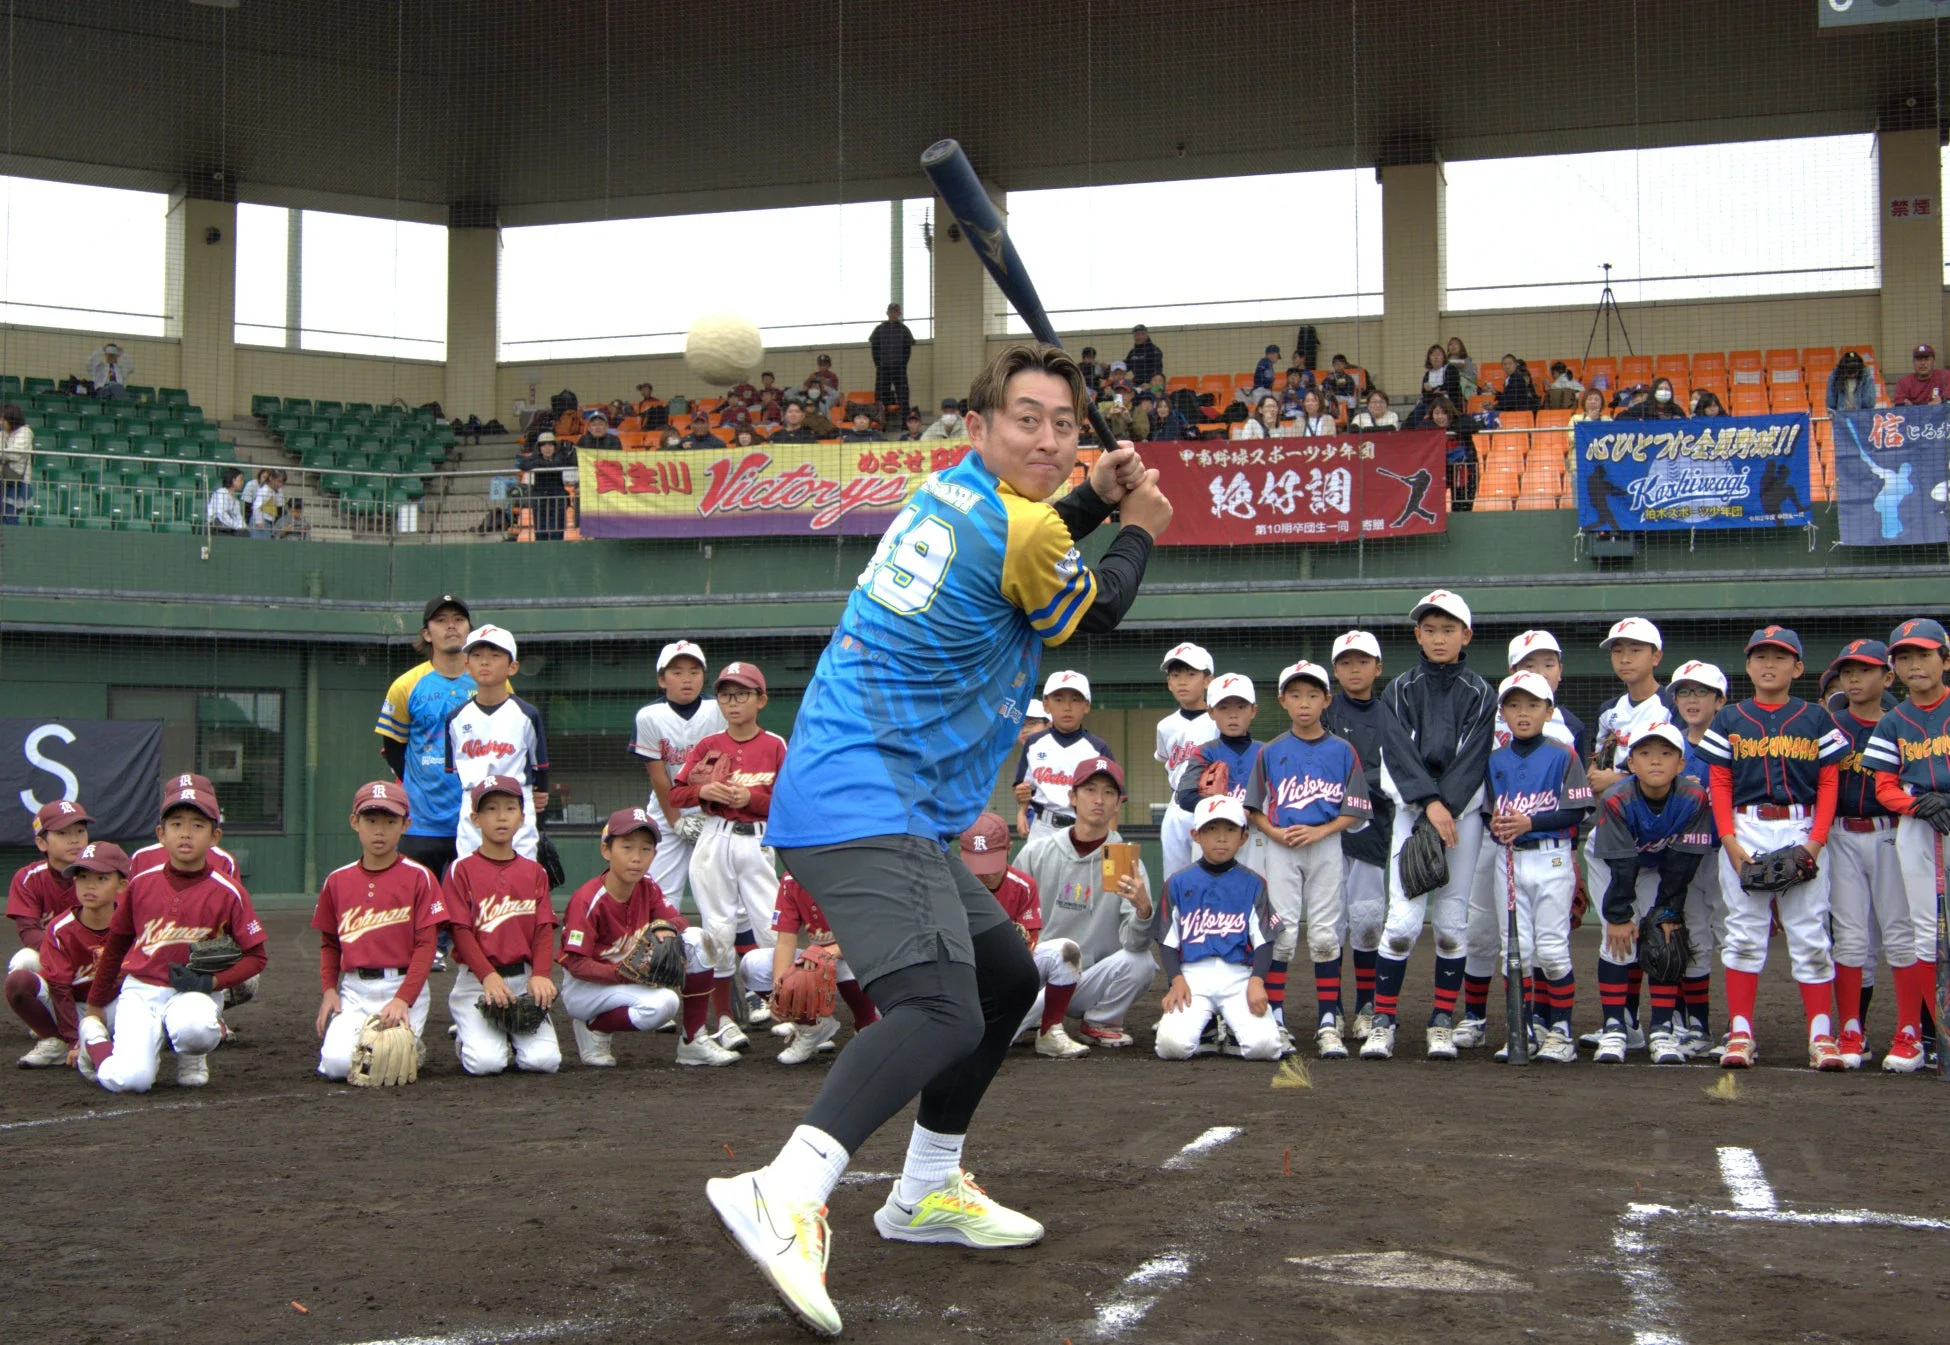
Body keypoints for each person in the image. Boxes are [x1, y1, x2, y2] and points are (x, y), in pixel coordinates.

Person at [708, 341, 1166, 1337]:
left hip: (878, 795)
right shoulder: (1026, 526)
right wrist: (1138, 522)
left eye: (1063, 424)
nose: (1048, 438)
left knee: (1003, 980)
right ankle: (785, 1189)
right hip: (868, 797)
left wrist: (1092, 499)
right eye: (1026, 419)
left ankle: (922, 1190)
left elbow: (1035, 535)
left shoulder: (957, 490)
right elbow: (1097, 608)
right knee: (938, 1006)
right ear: (981, 426)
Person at [1696, 625, 1849, 1071]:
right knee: (1743, 933)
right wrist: (1729, 841)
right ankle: (1740, 1033)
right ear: (1747, 666)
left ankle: (1821, 1036)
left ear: (1798, 668)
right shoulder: (1730, 718)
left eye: (1780, 657)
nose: (1769, 664)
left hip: (1802, 825)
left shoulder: (1816, 717)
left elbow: (1829, 783)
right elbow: (1719, 782)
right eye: (1760, 656)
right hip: (1745, 826)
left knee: (1810, 933)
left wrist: (1816, 842)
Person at [1364, 589, 1497, 1061]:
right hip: (1411, 811)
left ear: (1466, 635)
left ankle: (1441, 1021)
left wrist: (1445, 806)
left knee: (1452, 925)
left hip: (1462, 817)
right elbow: (1397, 754)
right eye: (1430, 629)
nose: (1439, 638)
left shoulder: (1482, 693)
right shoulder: (1399, 689)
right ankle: (1383, 1022)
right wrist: (1428, 804)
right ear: (1417, 635)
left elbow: (1474, 757)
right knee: (1401, 923)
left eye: (1449, 629)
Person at [80, 782, 268, 1092]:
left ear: (215, 837)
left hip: (194, 994)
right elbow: (115, 947)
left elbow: (257, 957)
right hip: (142, 990)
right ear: (161, 834)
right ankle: (93, 1040)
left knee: (196, 1029)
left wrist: (212, 982)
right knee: (131, 1081)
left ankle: (191, 1055)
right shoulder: (140, 884)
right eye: (176, 824)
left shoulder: (229, 891)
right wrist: (95, 1006)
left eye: (198, 825)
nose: (186, 833)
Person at [1244, 660, 1373, 1059]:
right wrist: (1275, 833)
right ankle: (1277, 1021)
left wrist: (1321, 831)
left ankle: (1328, 1023)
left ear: (1326, 701)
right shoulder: (1271, 751)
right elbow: (1253, 808)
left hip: (1325, 844)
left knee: (1324, 936)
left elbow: (1357, 809)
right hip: (1282, 846)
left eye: (1313, 695)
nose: (1304, 703)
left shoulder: (1342, 750)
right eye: (1296, 695)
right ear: (1282, 700)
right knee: (1282, 935)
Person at [670, 661, 787, 1053]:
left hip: (757, 841)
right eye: (725, 695)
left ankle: (787, 1011)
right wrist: (703, 793)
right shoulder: (708, 746)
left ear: (761, 700)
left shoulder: (775, 745)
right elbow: (676, 794)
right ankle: (724, 1020)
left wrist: (750, 798)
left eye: (742, 694)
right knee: (717, 931)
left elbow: (789, 802)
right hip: (715, 838)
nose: (733, 702)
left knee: (773, 928)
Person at [1480, 671, 1594, 1063]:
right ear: (1503, 713)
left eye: (1532, 705)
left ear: (1549, 711)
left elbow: (1577, 810)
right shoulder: (1494, 760)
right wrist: (1497, 827)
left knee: (1552, 950)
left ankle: (1561, 1032)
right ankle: (1524, 1029)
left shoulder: (1563, 754)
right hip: (1509, 859)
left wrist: (1530, 822)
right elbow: (1488, 812)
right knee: (1516, 950)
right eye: (1514, 705)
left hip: (1552, 856)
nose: (1523, 713)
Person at [1586, 722, 1716, 1065]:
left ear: (1681, 763)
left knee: (1663, 934)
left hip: (1659, 863)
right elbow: (1622, 865)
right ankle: (1615, 1028)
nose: (1655, 761)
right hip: (1608, 862)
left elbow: (1682, 865)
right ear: (1631, 764)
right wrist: (1619, 915)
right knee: (1617, 938)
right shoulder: (1616, 798)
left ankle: (1662, 1030)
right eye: (1644, 753)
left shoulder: (1694, 798)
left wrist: (1667, 913)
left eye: (1666, 753)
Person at [558, 806, 726, 1067]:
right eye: (627, 847)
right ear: (606, 851)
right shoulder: (587, 900)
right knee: (663, 1004)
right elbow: (576, 964)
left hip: (625, 980)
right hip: (586, 988)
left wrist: (664, 926)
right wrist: (621, 974)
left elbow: (678, 921)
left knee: (696, 940)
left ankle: (693, 1040)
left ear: (654, 855)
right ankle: (594, 1027)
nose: (636, 857)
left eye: (646, 849)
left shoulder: (646, 886)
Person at [1013, 757, 1159, 1052]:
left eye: (1108, 792)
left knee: (1142, 962)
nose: (1099, 800)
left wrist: (1144, 911)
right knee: (995, 1035)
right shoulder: (1036, 852)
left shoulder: (1125, 863)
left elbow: (1134, 944)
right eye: (1090, 790)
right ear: (1072, 797)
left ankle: (1099, 1021)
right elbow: (1010, 918)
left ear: (1118, 804)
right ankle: (1030, 1017)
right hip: (1036, 976)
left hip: (1085, 981)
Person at [312, 781, 445, 1081]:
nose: (380, 830)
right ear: (354, 822)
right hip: (355, 990)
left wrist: (403, 999)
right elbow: (330, 943)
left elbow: (426, 946)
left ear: (405, 824)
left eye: (390, 821)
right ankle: (401, 1046)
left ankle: (410, 1047)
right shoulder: (337, 880)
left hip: (402, 985)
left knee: (383, 1063)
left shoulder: (420, 877)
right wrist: (329, 990)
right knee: (336, 1066)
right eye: (371, 821)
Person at [1863, 618, 1950, 1071]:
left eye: (1924, 654)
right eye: (1904, 657)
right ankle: (1942, 1034)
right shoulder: (1893, 721)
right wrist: (1917, 805)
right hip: (1918, 825)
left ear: (1945, 660)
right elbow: (1884, 787)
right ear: (1894, 668)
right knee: (1925, 931)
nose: (1915, 664)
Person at [377, 594, 479, 971]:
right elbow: (393, 746)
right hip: (422, 816)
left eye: (458, 619)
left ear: (469, 629)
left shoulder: (488, 683)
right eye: (441, 620)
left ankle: (465, 958)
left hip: (473, 816)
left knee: (473, 899)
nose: (451, 625)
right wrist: (416, 785)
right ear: (427, 633)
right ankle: (426, 949)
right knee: (417, 896)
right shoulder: (407, 685)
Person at [442, 776, 563, 1076]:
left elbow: (543, 929)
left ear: (522, 818)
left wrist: (540, 974)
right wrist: (488, 976)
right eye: (491, 809)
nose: (501, 816)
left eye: (510, 808)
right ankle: (468, 1037)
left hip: (522, 980)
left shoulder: (535, 872)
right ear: (475, 819)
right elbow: (460, 931)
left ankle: (503, 1036)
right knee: (487, 1064)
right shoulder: (461, 870)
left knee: (544, 1062)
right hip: (477, 983)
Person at [1819, 638, 1900, 1071]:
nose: (1853, 678)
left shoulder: (1902, 722)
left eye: (1865, 670)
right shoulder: (1830, 725)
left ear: (1888, 678)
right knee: (1851, 938)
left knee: (1903, 936)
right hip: (1840, 835)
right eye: (1847, 671)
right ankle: (1852, 1028)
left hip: (1893, 833)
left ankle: (1914, 1030)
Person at [1153, 795, 1282, 1062]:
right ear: (1196, 835)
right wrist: (1176, 979)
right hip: (1192, 976)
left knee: (1265, 1048)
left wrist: (1257, 980)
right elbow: (1167, 941)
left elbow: (1264, 941)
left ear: (1243, 837)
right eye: (1211, 829)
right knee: (1171, 1047)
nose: (1221, 838)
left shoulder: (1254, 883)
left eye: (1230, 829)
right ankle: (1206, 1030)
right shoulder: (1177, 882)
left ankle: (1234, 1033)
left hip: (1239, 976)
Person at [949, 814, 1084, 1059]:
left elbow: (1027, 949)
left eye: (991, 861)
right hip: (962, 988)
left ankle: (1050, 1032)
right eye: (978, 863)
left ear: (1009, 849)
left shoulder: (1023, 885)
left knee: (1065, 951)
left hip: (1005, 986)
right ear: (962, 854)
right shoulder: (947, 886)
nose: (986, 873)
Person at [1322, 631, 1392, 1043]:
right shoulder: (1324, 710)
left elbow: (1396, 771)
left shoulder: (1391, 714)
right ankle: (1331, 1008)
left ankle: (1366, 1006)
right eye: (1346, 662)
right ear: (1335, 670)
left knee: (1367, 921)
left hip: (1372, 830)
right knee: (1330, 924)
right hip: (1327, 832)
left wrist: (1355, 783)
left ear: (1377, 668)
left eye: (1363, 661)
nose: (1354, 669)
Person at [740, 873, 882, 1065]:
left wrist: (830, 951)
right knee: (754, 965)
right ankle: (813, 1027)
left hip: (877, 968)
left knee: (845, 959)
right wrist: (779, 992)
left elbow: (877, 934)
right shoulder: (793, 878)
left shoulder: (855, 869)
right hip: (829, 968)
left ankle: (867, 1023)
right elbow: (785, 942)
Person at [629, 640, 726, 914]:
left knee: (719, 891)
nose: (687, 679)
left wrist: (710, 811)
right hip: (667, 807)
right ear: (662, 680)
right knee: (660, 891)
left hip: (712, 806)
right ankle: (662, 941)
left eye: (694, 672)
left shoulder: (719, 710)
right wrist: (676, 822)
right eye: (677, 672)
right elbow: (658, 776)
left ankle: (724, 943)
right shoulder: (649, 716)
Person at [16, 842, 124, 1076]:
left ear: (122, 885)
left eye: (101, 878)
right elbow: (59, 987)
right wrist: (73, 1038)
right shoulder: (60, 927)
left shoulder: (134, 922)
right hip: (77, 1009)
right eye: (83, 877)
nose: (90, 886)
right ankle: (56, 1043)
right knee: (19, 982)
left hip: (119, 1007)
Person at [445, 624, 550, 863]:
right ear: (466, 665)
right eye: (477, 655)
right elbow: (455, 771)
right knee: (470, 872)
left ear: (512, 667)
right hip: (474, 803)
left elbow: (540, 767)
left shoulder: (526, 714)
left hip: (515, 802)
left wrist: (540, 793)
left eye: (494, 655)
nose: (485, 662)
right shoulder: (455, 718)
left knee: (520, 872)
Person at [5, 800, 92, 1065]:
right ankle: (50, 1035)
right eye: (63, 833)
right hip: (57, 959)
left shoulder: (102, 872)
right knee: (23, 962)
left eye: (80, 831)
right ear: (42, 843)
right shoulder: (29, 877)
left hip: (97, 964)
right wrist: (64, 954)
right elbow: (29, 932)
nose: (74, 840)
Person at [1014, 670, 1116, 841]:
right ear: (1046, 705)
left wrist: (1109, 843)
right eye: (1059, 700)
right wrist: (1022, 811)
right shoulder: (1033, 743)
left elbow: (1113, 802)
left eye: (1075, 700)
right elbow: (1025, 788)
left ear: (1086, 706)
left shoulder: (1098, 748)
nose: (1067, 707)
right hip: (1042, 828)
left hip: (1084, 828)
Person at [1155, 642, 1216, 885]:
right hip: (1177, 803)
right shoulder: (1165, 726)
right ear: (1169, 683)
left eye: (1191, 674)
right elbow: (1166, 762)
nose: (1182, 681)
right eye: (1175, 675)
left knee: (1211, 875)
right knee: (1175, 878)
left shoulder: (1219, 720)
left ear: (1208, 680)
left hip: (1212, 802)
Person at [869, 303, 914, 414]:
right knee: (881, 396)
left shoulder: (904, 329)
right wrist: (878, 364)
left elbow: (907, 350)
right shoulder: (879, 329)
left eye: (896, 312)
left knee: (903, 395)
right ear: (887, 313)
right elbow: (874, 348)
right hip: (883, 369)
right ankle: (881, 420)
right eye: (891, 312)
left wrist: (902, 365)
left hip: (899, 369)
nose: (893, 314)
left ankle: (905, 420)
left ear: (899, 314)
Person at [525, 435, 571, 540]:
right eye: (544, 445)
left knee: (557, 532)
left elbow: (568, 462)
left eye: (550, 445)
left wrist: (539, 464)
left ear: (555, 447)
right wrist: (545, 463)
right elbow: (522, 464)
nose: (547, 448)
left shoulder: (560, 457)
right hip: (540, 500)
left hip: (558, 500)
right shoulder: (534, 457)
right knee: (540, 533)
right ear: (539, 448)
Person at [1, 402, 32, 521]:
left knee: (10, 517)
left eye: (3, 419)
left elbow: (15, 454)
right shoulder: (3, 434)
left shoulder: (25, 433)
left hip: (17, 481)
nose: (1, 423)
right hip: (3, 480)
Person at [1617, 376, 1684, 420]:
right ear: (1654, 391)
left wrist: (1680, 420)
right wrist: (1637, 420)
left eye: (1667, 389)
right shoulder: (1643, 407)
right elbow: (1620, 417)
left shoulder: (1676, 410)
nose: (1664, 391)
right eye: (1660, 389)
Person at [206, 467, 248, 536]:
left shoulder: (236, 500)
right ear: (233, 480)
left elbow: (238, 516)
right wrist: (236, 526)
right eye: (241, 479)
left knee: (244, 533)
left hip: (229, 527)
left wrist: (243, 526)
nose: (242, 482)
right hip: (216, 527)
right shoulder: (221, 493)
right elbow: (221, 514)